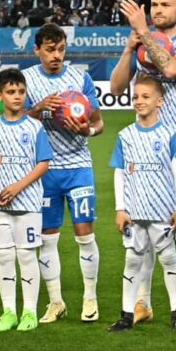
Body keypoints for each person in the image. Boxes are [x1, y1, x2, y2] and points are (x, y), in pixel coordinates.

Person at [110, 0, 176, 325]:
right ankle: (142, 302)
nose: (157, 10)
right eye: (154, 4)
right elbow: (116, 88)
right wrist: (129, 48)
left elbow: (170, 68)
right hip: (145, 150)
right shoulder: (141, 43)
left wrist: (142, 31)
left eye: (165, 4)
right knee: (143, 224)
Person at [23, 23, 104, 323]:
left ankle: (90, 298)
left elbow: (98, 123)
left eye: (60, 49)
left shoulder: (80, 79)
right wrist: (38, 109)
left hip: (78, 167)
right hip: (44, 170)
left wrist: (87, 131)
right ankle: (56, 302)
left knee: (85, 234)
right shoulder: (28, 80)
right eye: (49, 50)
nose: (56, 55)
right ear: (37, 50)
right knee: (47, 239)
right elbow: (18, 122)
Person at [0, 69, 54, 332]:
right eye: (10, 92)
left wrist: (18, 187)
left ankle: (29, 312)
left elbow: (43, 163)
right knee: (4, 256)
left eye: (21, 91)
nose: (17, 96)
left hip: (28, 203)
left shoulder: (34, 127)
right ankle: (8, 311)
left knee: (27, 255)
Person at [108, 75, 176, 332]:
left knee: (169, 259)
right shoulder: (125, 135)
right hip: (135, 212)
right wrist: (120, 208)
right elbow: (120, 172)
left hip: (162, 211)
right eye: (135, 97)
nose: (139, 101)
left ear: (159, 101)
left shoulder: (170, 135)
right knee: (132, 261)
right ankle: (126, 314)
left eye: (145, 96)